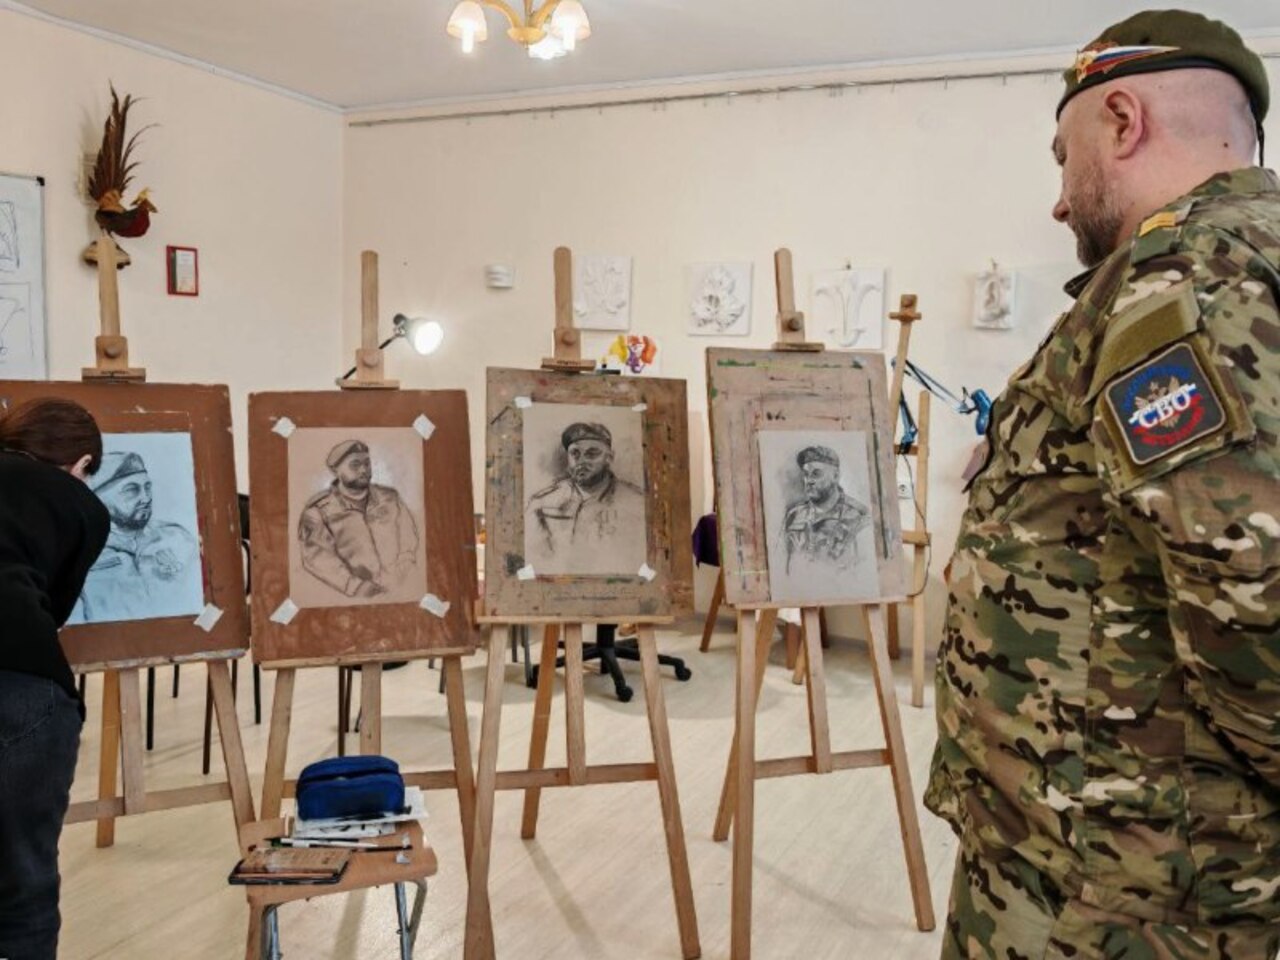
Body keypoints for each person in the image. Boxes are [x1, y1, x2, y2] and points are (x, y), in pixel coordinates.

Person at [926, 10, 1280, 958]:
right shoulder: (1249, 256)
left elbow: (1252, 597)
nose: (1057, 202)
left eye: (1062, 157)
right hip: (1130, 857)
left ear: (1123, 120)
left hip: (1111, 882)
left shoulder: (1185, 275)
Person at [0, 398, 109, 960]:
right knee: (24, 882)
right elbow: (54, 609)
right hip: (22, 684)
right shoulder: (81, 505)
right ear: (82, 463)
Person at [71, 450, 199, 623]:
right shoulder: (81, 554)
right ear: (97, 498)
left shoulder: (177, 538)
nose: (146, 498)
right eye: (131, 490)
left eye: (147, 487)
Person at [298, 439, 419, 598]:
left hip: (400, 588)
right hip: (355, 597)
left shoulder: (390, 498)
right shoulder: (318, 512)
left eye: (367, 463)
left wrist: (404, 571)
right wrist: (355, 587)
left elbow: (408, 537)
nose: (364, 470)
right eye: (355, 465)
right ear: (336, 471)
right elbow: (317, 557)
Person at [525, 422, 645, 566]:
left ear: (609, 457)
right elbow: (537, 560)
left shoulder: (637, 503)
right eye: (575, 453)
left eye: (592, 454)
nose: (581, 461)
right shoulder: (542, 503)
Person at [779, 445, 870, 572]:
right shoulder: (794, 515)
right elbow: (780, 565)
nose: (809, 480)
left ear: (835, 476)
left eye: (816, 474)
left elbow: (863, 572)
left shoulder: (859, 518)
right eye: (806, 474)